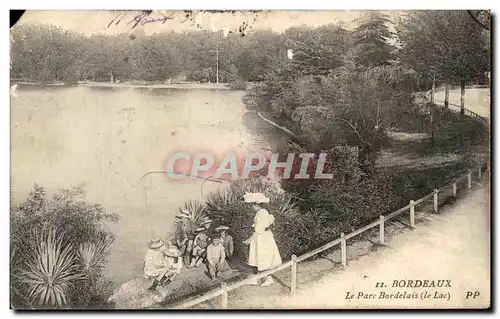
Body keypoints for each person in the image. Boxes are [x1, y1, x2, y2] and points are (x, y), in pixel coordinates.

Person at [243, 192, 282, 287]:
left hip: (262, 238)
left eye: (252, 205)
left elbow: (258, 229)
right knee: (258, 257)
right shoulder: (262, 212)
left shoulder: (261, 213)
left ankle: (267, 278)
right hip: (263, 236)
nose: (251, 207)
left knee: (262, 257)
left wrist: (249, 240)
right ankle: (258, 278)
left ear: (256, 205)